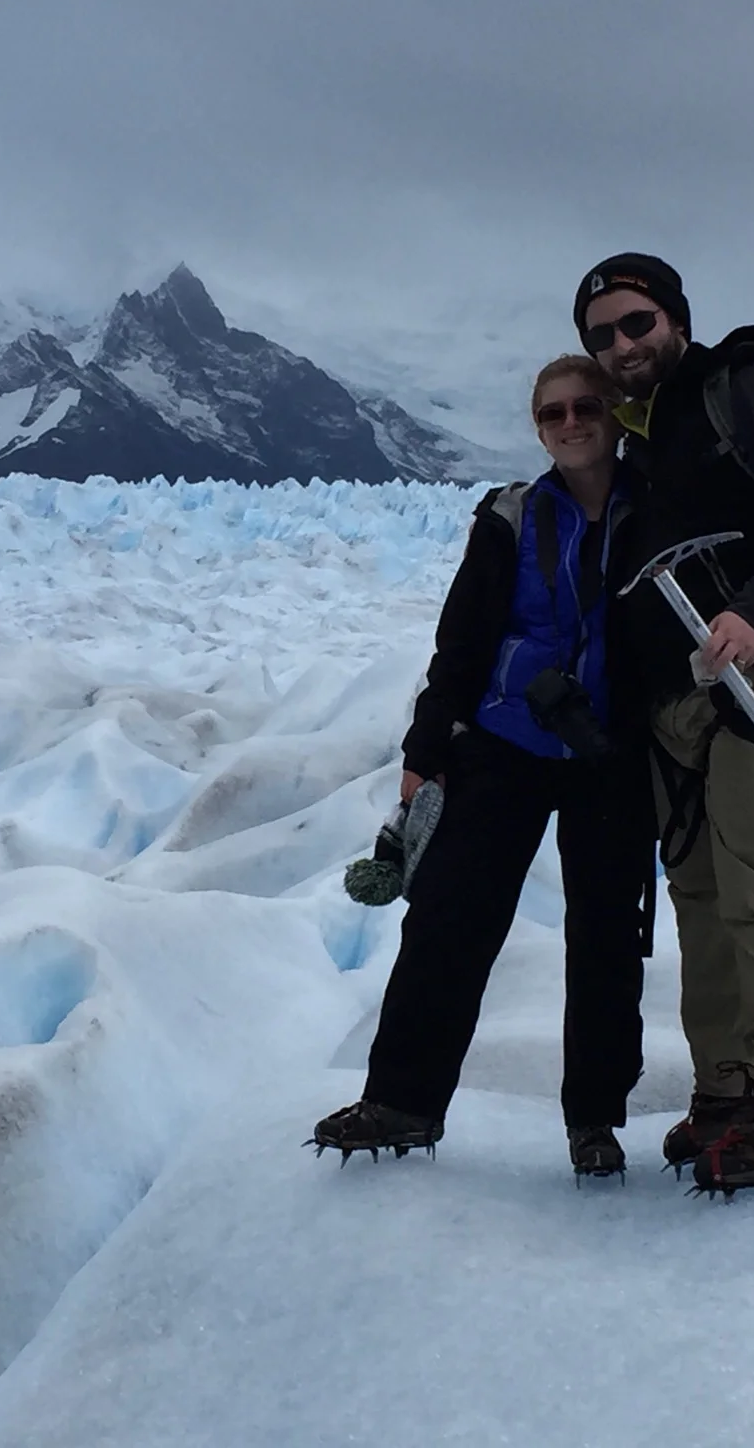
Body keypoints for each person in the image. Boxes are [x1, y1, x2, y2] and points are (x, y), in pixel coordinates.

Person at [313, 356, 656, 1179]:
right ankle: (403, 1100)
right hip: (507, 744)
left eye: (584, 407)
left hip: (612, 755)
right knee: (447, 921)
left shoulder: (657, 512)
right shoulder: (508, 517)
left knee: (607, 939)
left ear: (614, 415)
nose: (569, 423)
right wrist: (426, 754)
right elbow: (460, 644)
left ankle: (594, 1121)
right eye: (551, 413)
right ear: (536, 426)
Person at [574, 252, 754, 1196]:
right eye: (602, 335)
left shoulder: (747, 387)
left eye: (635, 324)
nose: (620, 346)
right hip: (677, 698)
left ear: (674, 320)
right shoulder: (640, 432)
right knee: (697, 890)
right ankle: (727, 1092)